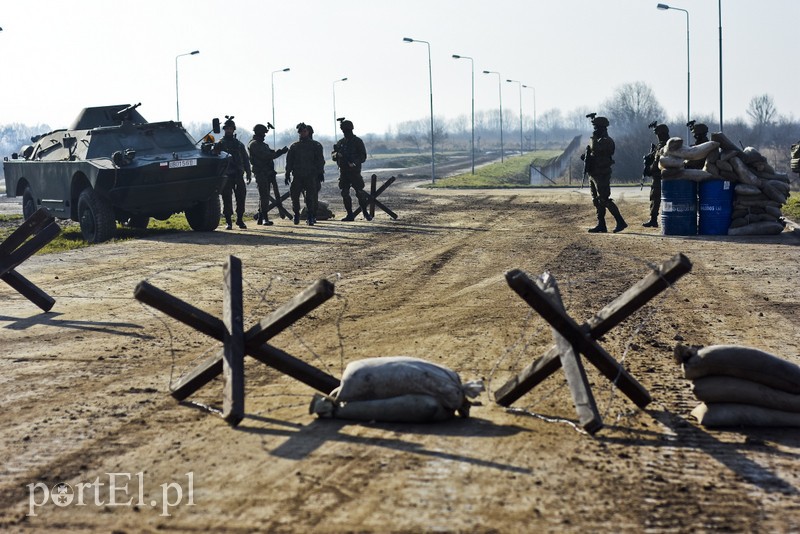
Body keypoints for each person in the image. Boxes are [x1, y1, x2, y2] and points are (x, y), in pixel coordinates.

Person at [581, 115, 627, 233]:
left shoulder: (607, 141)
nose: (594, 130)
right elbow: (594, 153)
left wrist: (593, 138)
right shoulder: (597, 140)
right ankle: (601, 224)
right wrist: (586, 157)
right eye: (594, 128)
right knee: (596, 200)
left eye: (596, 128)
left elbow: (597, 149)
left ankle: (620, 221)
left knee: (604, 199)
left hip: (602, 174)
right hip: (594, 173)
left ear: (602, 128)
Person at [214, 118, 252, 230]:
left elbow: (245, 159)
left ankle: (240, 219)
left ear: (233, 130)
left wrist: (248, 173)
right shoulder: (220, 144)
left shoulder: (239, 145)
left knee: (241, 197)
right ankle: (228, 221)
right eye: (227, 129)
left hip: (238, 174)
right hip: (226, 175)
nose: (229, 130)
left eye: (230, 129)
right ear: (224, 130)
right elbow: (216, 159)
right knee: (227, 198)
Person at [285, 122, 325, 225]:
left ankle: (310, 216)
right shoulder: (294, 146)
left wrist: (320, 172)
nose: (303, 133)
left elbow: (320, 160)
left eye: (305, 131)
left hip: (311, 175)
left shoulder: (316, 145)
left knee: (310, 197)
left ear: (308, 132)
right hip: (298, 175)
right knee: (294, 196)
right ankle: (296, 214)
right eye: (301, 131)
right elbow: (289, 161)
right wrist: (287, 173)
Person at [247, 123, 288, 225]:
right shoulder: (254, 144)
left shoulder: (263, 145)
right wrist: (279, 153)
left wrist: (278, 152)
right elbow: (266, 156)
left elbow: (270, 153)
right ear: (259, 133)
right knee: (264, 195)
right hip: (260, 173)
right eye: (263, 133)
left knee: (264, 194)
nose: (264, 135)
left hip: (268, 172)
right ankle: (264, 218)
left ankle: (261, 217)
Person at [332, 119, 372, 221]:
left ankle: (365, 213)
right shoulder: (340, 142)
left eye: (347, 130)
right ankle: (350, 215)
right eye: (344, 130)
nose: (345, 132)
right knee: (345, 193)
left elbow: (363, 156)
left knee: (359, 192)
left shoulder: (357, 141)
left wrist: (354, 162)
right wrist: (337, 155)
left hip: (354, 171)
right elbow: (333, 155)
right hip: (344, 172)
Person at [642, 122, 670, 228]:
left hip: (660, 175)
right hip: (663, 175)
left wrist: (649, 170)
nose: (657, 136)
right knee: (658, 197)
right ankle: (654, 219)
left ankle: (654, 219)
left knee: (655, 197)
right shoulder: (664, 144)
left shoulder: (664, 145)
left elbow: (657, 163)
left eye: (658, 134)